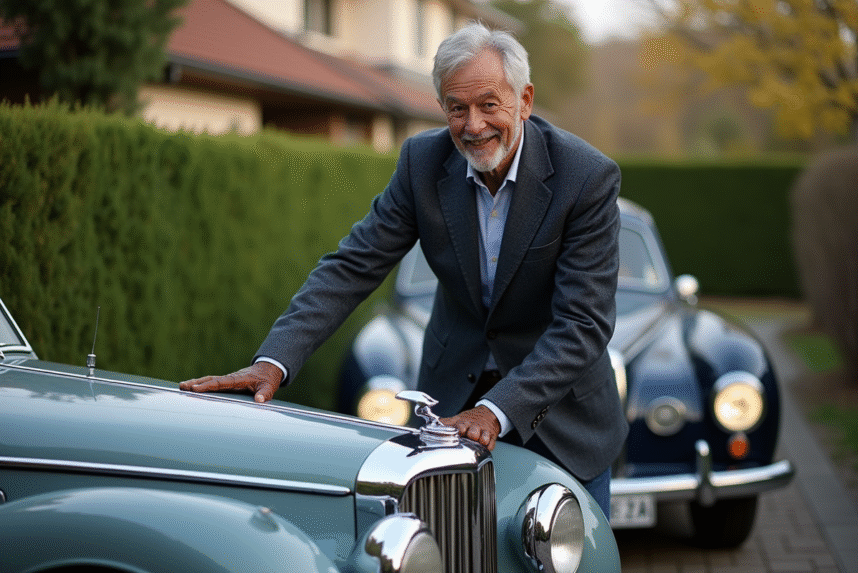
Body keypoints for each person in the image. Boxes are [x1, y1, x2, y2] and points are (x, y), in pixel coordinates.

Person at [180, 22, 627, 517]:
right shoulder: (422, 163)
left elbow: (583, 324)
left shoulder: (585, 177)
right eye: (457, 108)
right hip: (448, 411)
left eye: (489, 104)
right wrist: (273, 361)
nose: (473, 124)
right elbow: (351, 267)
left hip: (562, 419)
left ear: (524, 100)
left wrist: (496, 410)